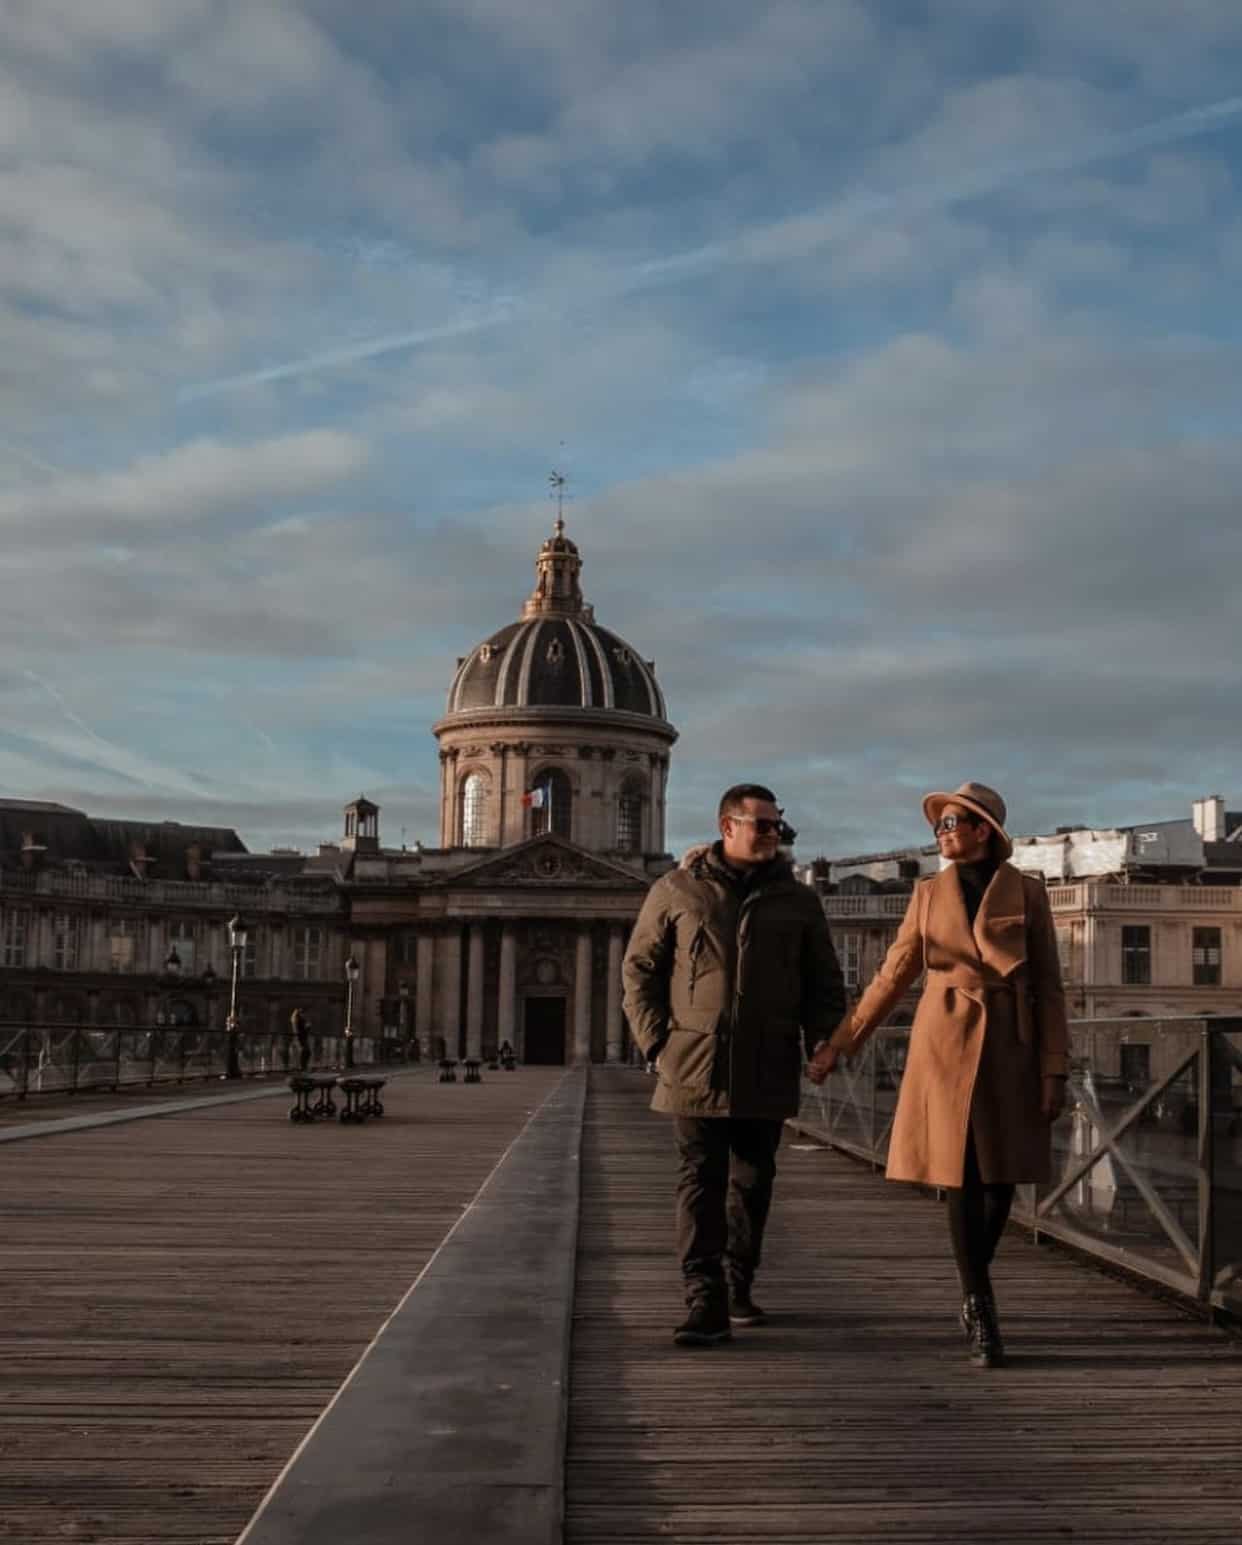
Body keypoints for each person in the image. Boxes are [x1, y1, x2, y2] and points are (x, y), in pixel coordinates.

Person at [807, 782, 1068, 1368]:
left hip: (1011, 1044)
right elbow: (893, 974)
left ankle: (974, 1284)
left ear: (985, 829)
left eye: (952, 823)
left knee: (1003, 1182)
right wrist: (842, 1043)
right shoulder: (927, 893)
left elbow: (1050, 987)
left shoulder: (1028, 894)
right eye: (938, 826)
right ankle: (981, 1305)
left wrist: (1055, 1068)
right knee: (961, 1176)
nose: (941, 832)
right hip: (944, 1040)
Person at [623, 783, 846, 1346]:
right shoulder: (676, 890)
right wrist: (657, 1045)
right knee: (699, 1180)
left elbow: (824, 982)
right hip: (693, 1061)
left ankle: (738, 1280)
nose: (775, 834)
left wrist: (826, 1041)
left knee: (753, 1181)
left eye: (778, 826)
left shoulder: (798, 900)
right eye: (764, 825)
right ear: (728, 827)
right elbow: (639, 971)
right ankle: (704, 1299)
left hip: (767, 1060)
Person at [290, 1006, 311, 1072]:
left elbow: (304, 1029)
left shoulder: (302, 1019)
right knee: (304, 1052)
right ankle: (302, 1067)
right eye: (302, 1012)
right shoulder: (297, 1019)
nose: (303, 1014)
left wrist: (307, 1027)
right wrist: (307, 1027)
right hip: (300, 1038)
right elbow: (297, 1030)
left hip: (303, 1038)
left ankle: (303, 1067)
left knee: (306, 1052)